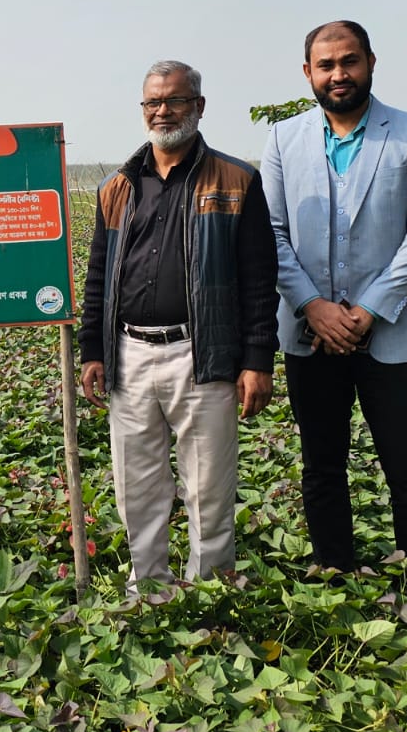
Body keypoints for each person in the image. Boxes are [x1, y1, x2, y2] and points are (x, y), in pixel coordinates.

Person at [79, 60, 279, 591]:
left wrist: (258, 359)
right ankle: (149, 587)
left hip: (202, 351)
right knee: (136, 485)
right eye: (153, 102)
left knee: (208, 484)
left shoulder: (237, 180)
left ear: (199, 106)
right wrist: (92, 350)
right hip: (130, 352)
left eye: (174, 100)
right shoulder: (117, 186)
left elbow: (260, 279)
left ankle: (208, 590)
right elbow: (99, 273)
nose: (162, 110)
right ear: (143, 109)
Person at [261, 21, 407, 572]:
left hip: (391, 333)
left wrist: (366, 311)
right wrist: (312, 307)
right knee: (322, 463)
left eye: (349, 61)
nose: (338, 74)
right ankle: (333, 569)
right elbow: (269, 232)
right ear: (308, 74)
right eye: (326, 65)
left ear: (370, 62)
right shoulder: (282, 139)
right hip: (307, 333)